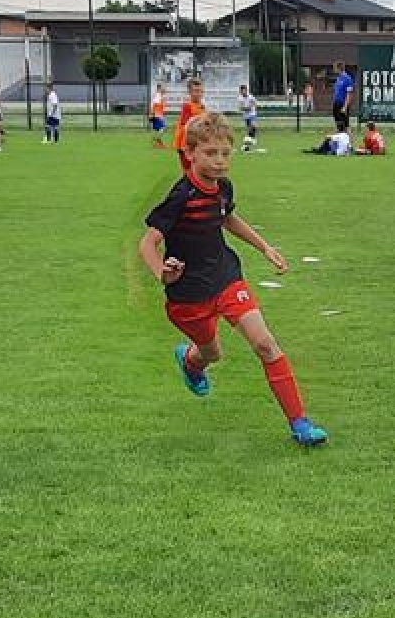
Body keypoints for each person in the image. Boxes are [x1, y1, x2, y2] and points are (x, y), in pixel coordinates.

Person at [138, 112, 329, 447]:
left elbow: (227, 218)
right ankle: (191, 362)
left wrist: (265, 247)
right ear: (190, 152)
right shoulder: (181, 196)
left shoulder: (223, 188)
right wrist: (163, 275)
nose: (220, 161)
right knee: (211, 353)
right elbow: (147, 243)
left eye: (226, 153)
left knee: (266, 344)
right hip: (189, 295)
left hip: (226, 278)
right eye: (211, 154)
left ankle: (300, 423)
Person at [174, 73, 206, 169]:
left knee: (197, 171)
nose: (198, 94)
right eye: (195, 91)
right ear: (189, 92)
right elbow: (187, 125)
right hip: (185, 144)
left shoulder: (202, 107)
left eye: (200, 91)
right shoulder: (187, 106)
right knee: (189, 172)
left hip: (196, 143)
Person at [331, 61, 355, 133]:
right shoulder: (338, 78)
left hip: (342, 104)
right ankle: (339, 142)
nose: (334, 70)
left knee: (346, 125)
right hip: (336, 104)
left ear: (339, 68)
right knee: (338, 125)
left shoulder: (347, 78)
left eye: (335, 68)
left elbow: (349, 94)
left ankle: (350, 143)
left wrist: (345, 106)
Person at [149, 83, 169, 148]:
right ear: (159, 88)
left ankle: (157, 143)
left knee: (159, 129)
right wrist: (152, 114)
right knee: (163, 128)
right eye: (163, 88)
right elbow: (155, 105)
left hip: (158, 115)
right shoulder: (158, 96)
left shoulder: (159, 95)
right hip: (157, 115)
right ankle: (157, 141)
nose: (165, 89)